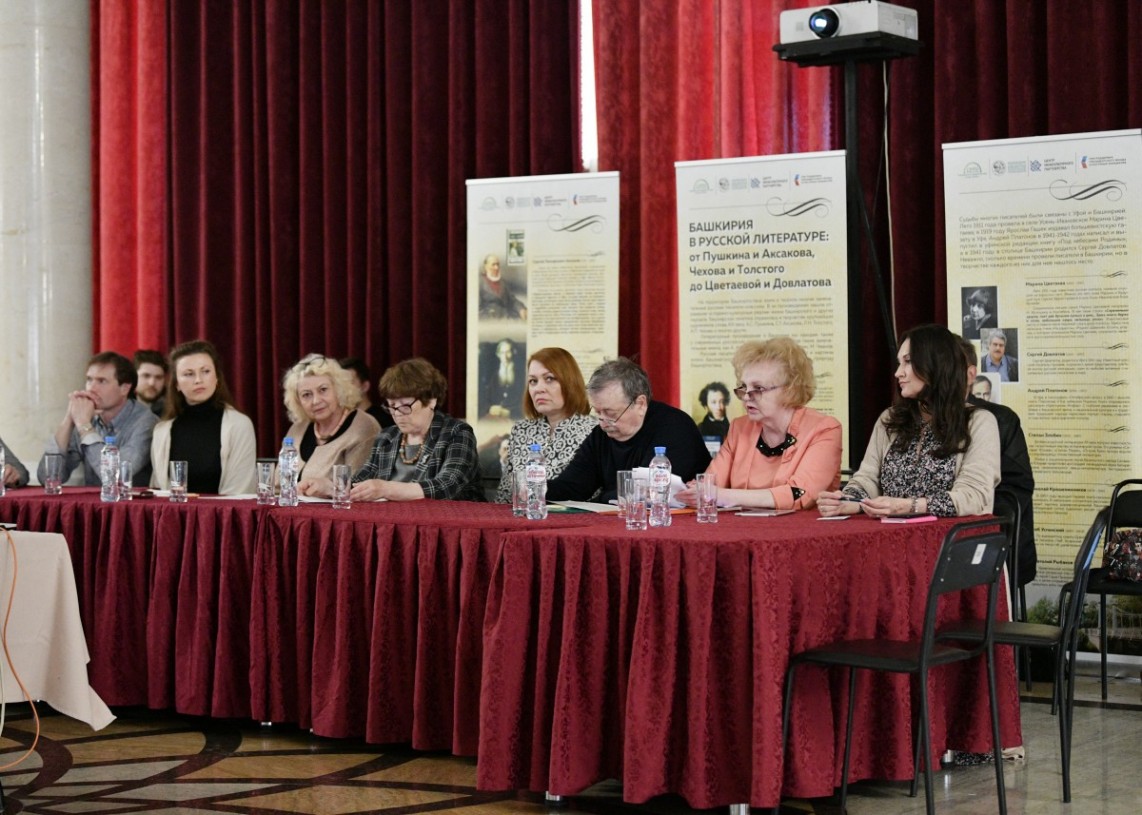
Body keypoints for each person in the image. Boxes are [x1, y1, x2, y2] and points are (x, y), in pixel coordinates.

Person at [818, 324, 1000, 518]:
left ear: (936, 364)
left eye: (908, 361)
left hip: (950, 535)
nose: (898, 373)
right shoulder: (890, 418)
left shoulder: (979, 422)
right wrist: (848, 500)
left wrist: (909, 506)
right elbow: (867, 478)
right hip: (889, 530)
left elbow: (973, 497)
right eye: (899, 363)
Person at [677, 338, 841, 511]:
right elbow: (710, 483)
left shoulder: (824, 429)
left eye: (758, 388)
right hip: (740, 525)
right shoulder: (739, 428)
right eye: (744, 387)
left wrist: (720, 495)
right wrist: (694, 490)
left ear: (790, 389)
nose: (747, 397)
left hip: (803, 527)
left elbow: (799, 494)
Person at [546, 357, 712, 503]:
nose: (603, 423)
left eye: (611, 413)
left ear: (640, 404)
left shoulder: (675, 427)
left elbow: (647, 491)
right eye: (598, 412)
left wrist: (602, 498)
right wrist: (536, 489)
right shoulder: (601, 435)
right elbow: (572, 486)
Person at [339, 357, 483, 501]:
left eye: (405, 406)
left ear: (431, 401)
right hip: (393, 515)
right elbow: (361, 480)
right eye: (392, 405)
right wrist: (335, 487)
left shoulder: (456, 433)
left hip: (449, 514)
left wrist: (386, 489)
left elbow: (446, 486)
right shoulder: (387, 437)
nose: (397, 413)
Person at [959, 336, 1037, 584]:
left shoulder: (999, 419)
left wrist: (970, 518)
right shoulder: (914, 419)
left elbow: (1017, 488)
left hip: (992, 544)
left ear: (970, 374)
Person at [151, 340, 258, 495]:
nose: (198, 380)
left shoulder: (239, 424)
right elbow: (158, 490)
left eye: (206, 371)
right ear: (176, 384)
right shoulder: (162, 430)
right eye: (189, 374)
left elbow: (239, 491)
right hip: (173, 509)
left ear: (217, 377)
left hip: (224, 510)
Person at [37, 351, 158, 487]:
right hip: (93, 500)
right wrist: (69, 419)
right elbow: (48, 478)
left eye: (102, 381)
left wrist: (84, 426)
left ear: (124, 388)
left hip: (131, 500)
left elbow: (114, 476)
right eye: (89, 380)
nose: (92, 388)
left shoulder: (146, 423)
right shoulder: (86, 417)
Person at [495, 347, 597, 503]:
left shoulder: (595, 430)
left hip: (575, 517)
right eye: (533, 381)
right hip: (523, 516)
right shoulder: (521, 430)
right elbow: (505, 495)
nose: (539, 389)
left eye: (549, 379)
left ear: (569, 382)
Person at [280, 354, 381, 490]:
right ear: (298, 401)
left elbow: (360, 489)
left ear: (339, 389)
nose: (316, 401)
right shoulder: (297, 428)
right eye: (306, 395)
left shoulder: (364, 427)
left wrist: (328, 489)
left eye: (323, 390)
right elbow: (279, 483)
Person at [339, 356, 395, 430]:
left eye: (349, 382)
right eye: (340, 383)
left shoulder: (382, 421)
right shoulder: (339, 420)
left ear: (365, 386)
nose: (343, 388)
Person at [480, 338, 526, 418]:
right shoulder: (492, 375)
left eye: (508, 352)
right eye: (502, 353)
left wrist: (510, 413)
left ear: (513, 353)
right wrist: (489, 408)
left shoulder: (522, 374)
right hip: (495, 415)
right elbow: (484, 398)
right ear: (498, 354)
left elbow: (526, 402)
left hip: (514, 416)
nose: (505, 356)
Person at [477, 254, 527, 320]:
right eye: (493, 265)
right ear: (486, 266)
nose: (496, 268)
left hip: (507, 318)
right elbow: (476, 310)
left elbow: (512, 300)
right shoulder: (479, 283)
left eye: (497, 264)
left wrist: (521, 309)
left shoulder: (502, 282)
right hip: (489, 321)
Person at [133, 349, 169, 417]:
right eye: (146, 376)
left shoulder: (174, 411)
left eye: (158, 377)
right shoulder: (117, 408)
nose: (152, 383)